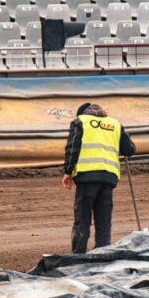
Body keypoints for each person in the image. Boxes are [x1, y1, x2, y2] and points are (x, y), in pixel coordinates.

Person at [61, 102, 136, 254]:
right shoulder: (115, 123)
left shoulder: (79, 121)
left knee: (83, 217)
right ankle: (102, 252)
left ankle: (79, 253)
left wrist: (68, 172)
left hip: (86, 175)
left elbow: (73, 147)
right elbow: (129, 149)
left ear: (82, 113)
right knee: (104, 218)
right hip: (108, 177)